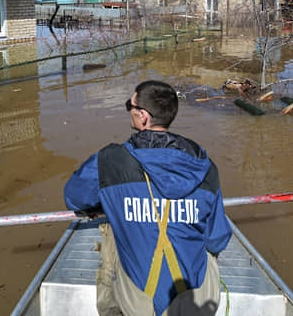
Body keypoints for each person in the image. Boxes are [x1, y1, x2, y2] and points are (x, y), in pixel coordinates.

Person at [64, 80, 232, 316]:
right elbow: (217, 239)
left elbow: (74, 198)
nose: (128, 111)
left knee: (112, 233)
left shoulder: (111, 161)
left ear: (143, 116)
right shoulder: (204, 166)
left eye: (129, 106)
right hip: (196, 301)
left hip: (139, 304)